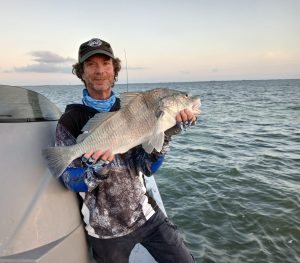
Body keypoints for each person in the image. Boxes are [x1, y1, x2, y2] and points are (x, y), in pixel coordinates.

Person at [56, 37, 196, 263]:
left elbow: (147, 167)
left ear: (114, 70)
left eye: (105, 63)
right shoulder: (70, 120)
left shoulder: (133, 108)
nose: (99, 71)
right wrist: (98, 169)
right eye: (91, 65)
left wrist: (167, 133)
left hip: (145, 216)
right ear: (81, 73)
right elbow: (69, 179)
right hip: (104, 230)